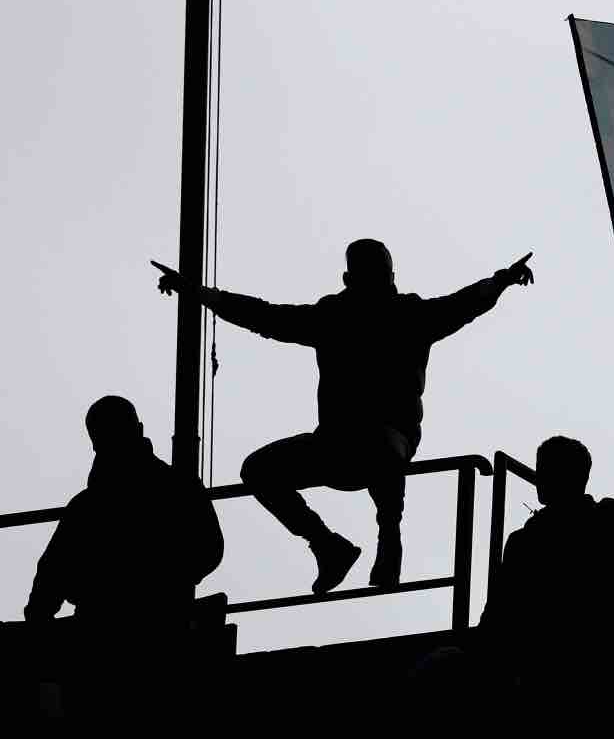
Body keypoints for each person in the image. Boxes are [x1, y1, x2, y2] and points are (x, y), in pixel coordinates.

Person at [153, 241, 534, 593]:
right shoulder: (344, 317)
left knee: (377, 439)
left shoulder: (404, 316)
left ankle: (389, 537)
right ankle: (327, 544)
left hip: (387, 442)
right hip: (336, 444)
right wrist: (200, 294)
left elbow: (465, 303)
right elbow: (265, 316)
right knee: (258, 469)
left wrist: (500, 282)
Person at [480, 436, 614, 739]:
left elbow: (498, 618)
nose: (538, 477)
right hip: (602, 681)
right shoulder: (608, 523)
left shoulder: (525, 543)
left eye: (544, 469)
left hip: (543, 682)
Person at [24, 396, 224, 622]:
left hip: (107, 622)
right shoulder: (181, 485)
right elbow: (210, 549)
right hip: (165, 620)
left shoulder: (85, 507)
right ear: (139, 429)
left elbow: (49, 580)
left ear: (95, 443)